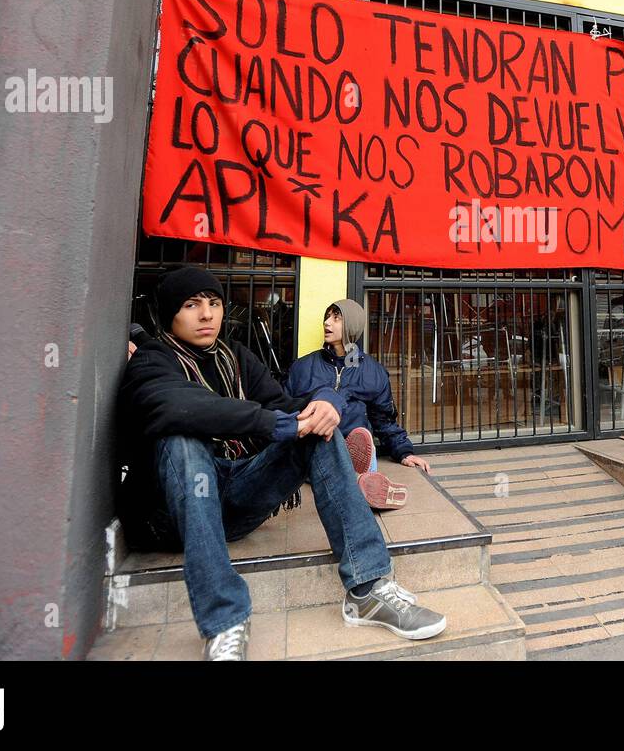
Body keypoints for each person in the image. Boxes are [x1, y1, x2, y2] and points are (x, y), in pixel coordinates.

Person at [117, 266, 447, 660]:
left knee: (318, 433)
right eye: (191, 305)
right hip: (170, 514)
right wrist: (279, 422)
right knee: (182, 438)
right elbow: (181, 407)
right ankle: (225, 623)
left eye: (214, 304)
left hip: (234, 499)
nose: (207, 315)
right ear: (170, 314)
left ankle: (368, 589)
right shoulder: (151, 361)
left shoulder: (235, 357)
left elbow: (282, 404)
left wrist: (321, 408)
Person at [285, 299, 430, 509]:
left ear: (352, 325)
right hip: (313, 446)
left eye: (336, 318)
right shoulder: (303, 367)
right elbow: (285, 408)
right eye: (327, 317)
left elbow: (384, 419)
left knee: (355, 447)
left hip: (355, 447)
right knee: (321, 457)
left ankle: (355, 476)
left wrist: (404, 452)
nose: (327, 323)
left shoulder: (373, 371)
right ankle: (363, 485)